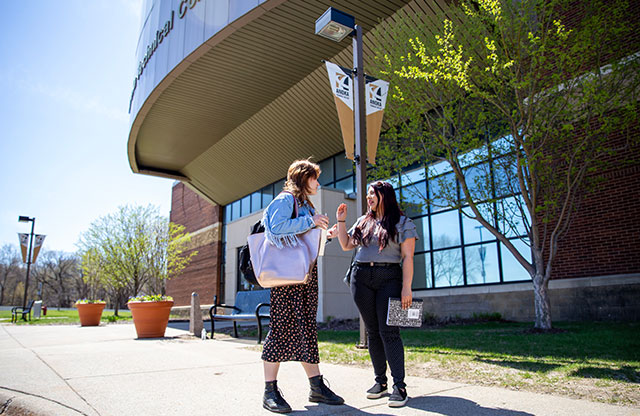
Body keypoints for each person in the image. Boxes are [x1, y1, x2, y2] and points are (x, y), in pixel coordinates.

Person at [260, 159, 344, 414]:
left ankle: (316, 386)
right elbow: (274, 227)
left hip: (304, 278)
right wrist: (311, 221)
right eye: (315, 178)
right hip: (288, 280)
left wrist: (325, 235)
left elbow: (303, 241)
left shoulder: (303, 204)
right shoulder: (286, 199)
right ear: (303, 178)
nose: (318, 183)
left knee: (306, 329)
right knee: (281, 329)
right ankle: (269, 391)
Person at [328, 180, 417, 408]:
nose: (368, 197)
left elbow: (407, 257)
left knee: (390, 332)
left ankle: (400, 386)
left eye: (372, 193)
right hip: (360, 277)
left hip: (389, 278)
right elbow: (347, 245)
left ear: (384, 195)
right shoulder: (363, 221)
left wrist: (407, 287)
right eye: (367, 194)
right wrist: (340, 221)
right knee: (372, 332)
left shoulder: (403, 223)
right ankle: (380, 382)